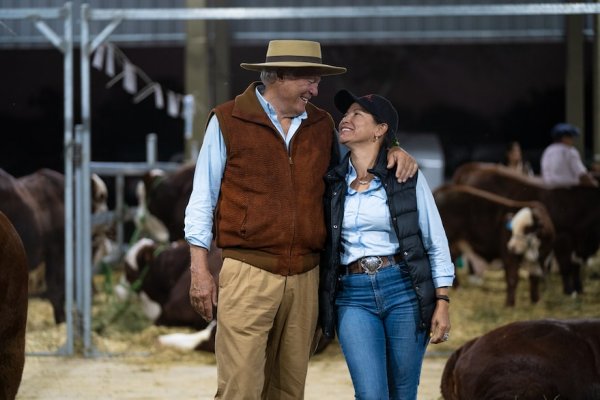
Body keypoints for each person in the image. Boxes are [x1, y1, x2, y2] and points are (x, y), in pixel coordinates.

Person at [184, 40, 418, 399]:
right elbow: (202, 200)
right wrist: (200, 271)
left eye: (318, 82)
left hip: (307, 277)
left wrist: (396, 145)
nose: (315, 90)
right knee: (241, 388)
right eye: (309, 80)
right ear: (279, 76)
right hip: (248, 273)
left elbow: (363, 156)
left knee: (289, 390)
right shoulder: (228, 120)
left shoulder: (322, 125)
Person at [319, 90, 455, 400]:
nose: (346, 119)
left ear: (381, 129)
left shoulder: (405, 176)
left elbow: (435, 241)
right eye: (345, 114)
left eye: (358, 115)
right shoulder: (332, 181)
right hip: (352, 295)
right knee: (370, 394)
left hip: (403, 290)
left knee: (403, 393)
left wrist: (443, 300)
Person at [541, 123, 599, 187]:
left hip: (549, 187)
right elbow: (581, 174)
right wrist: (595, 184)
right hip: (568, 190)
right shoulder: (570, 151)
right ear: (564, 138)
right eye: (571, 137)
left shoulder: (548, 150)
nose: (572, 140)